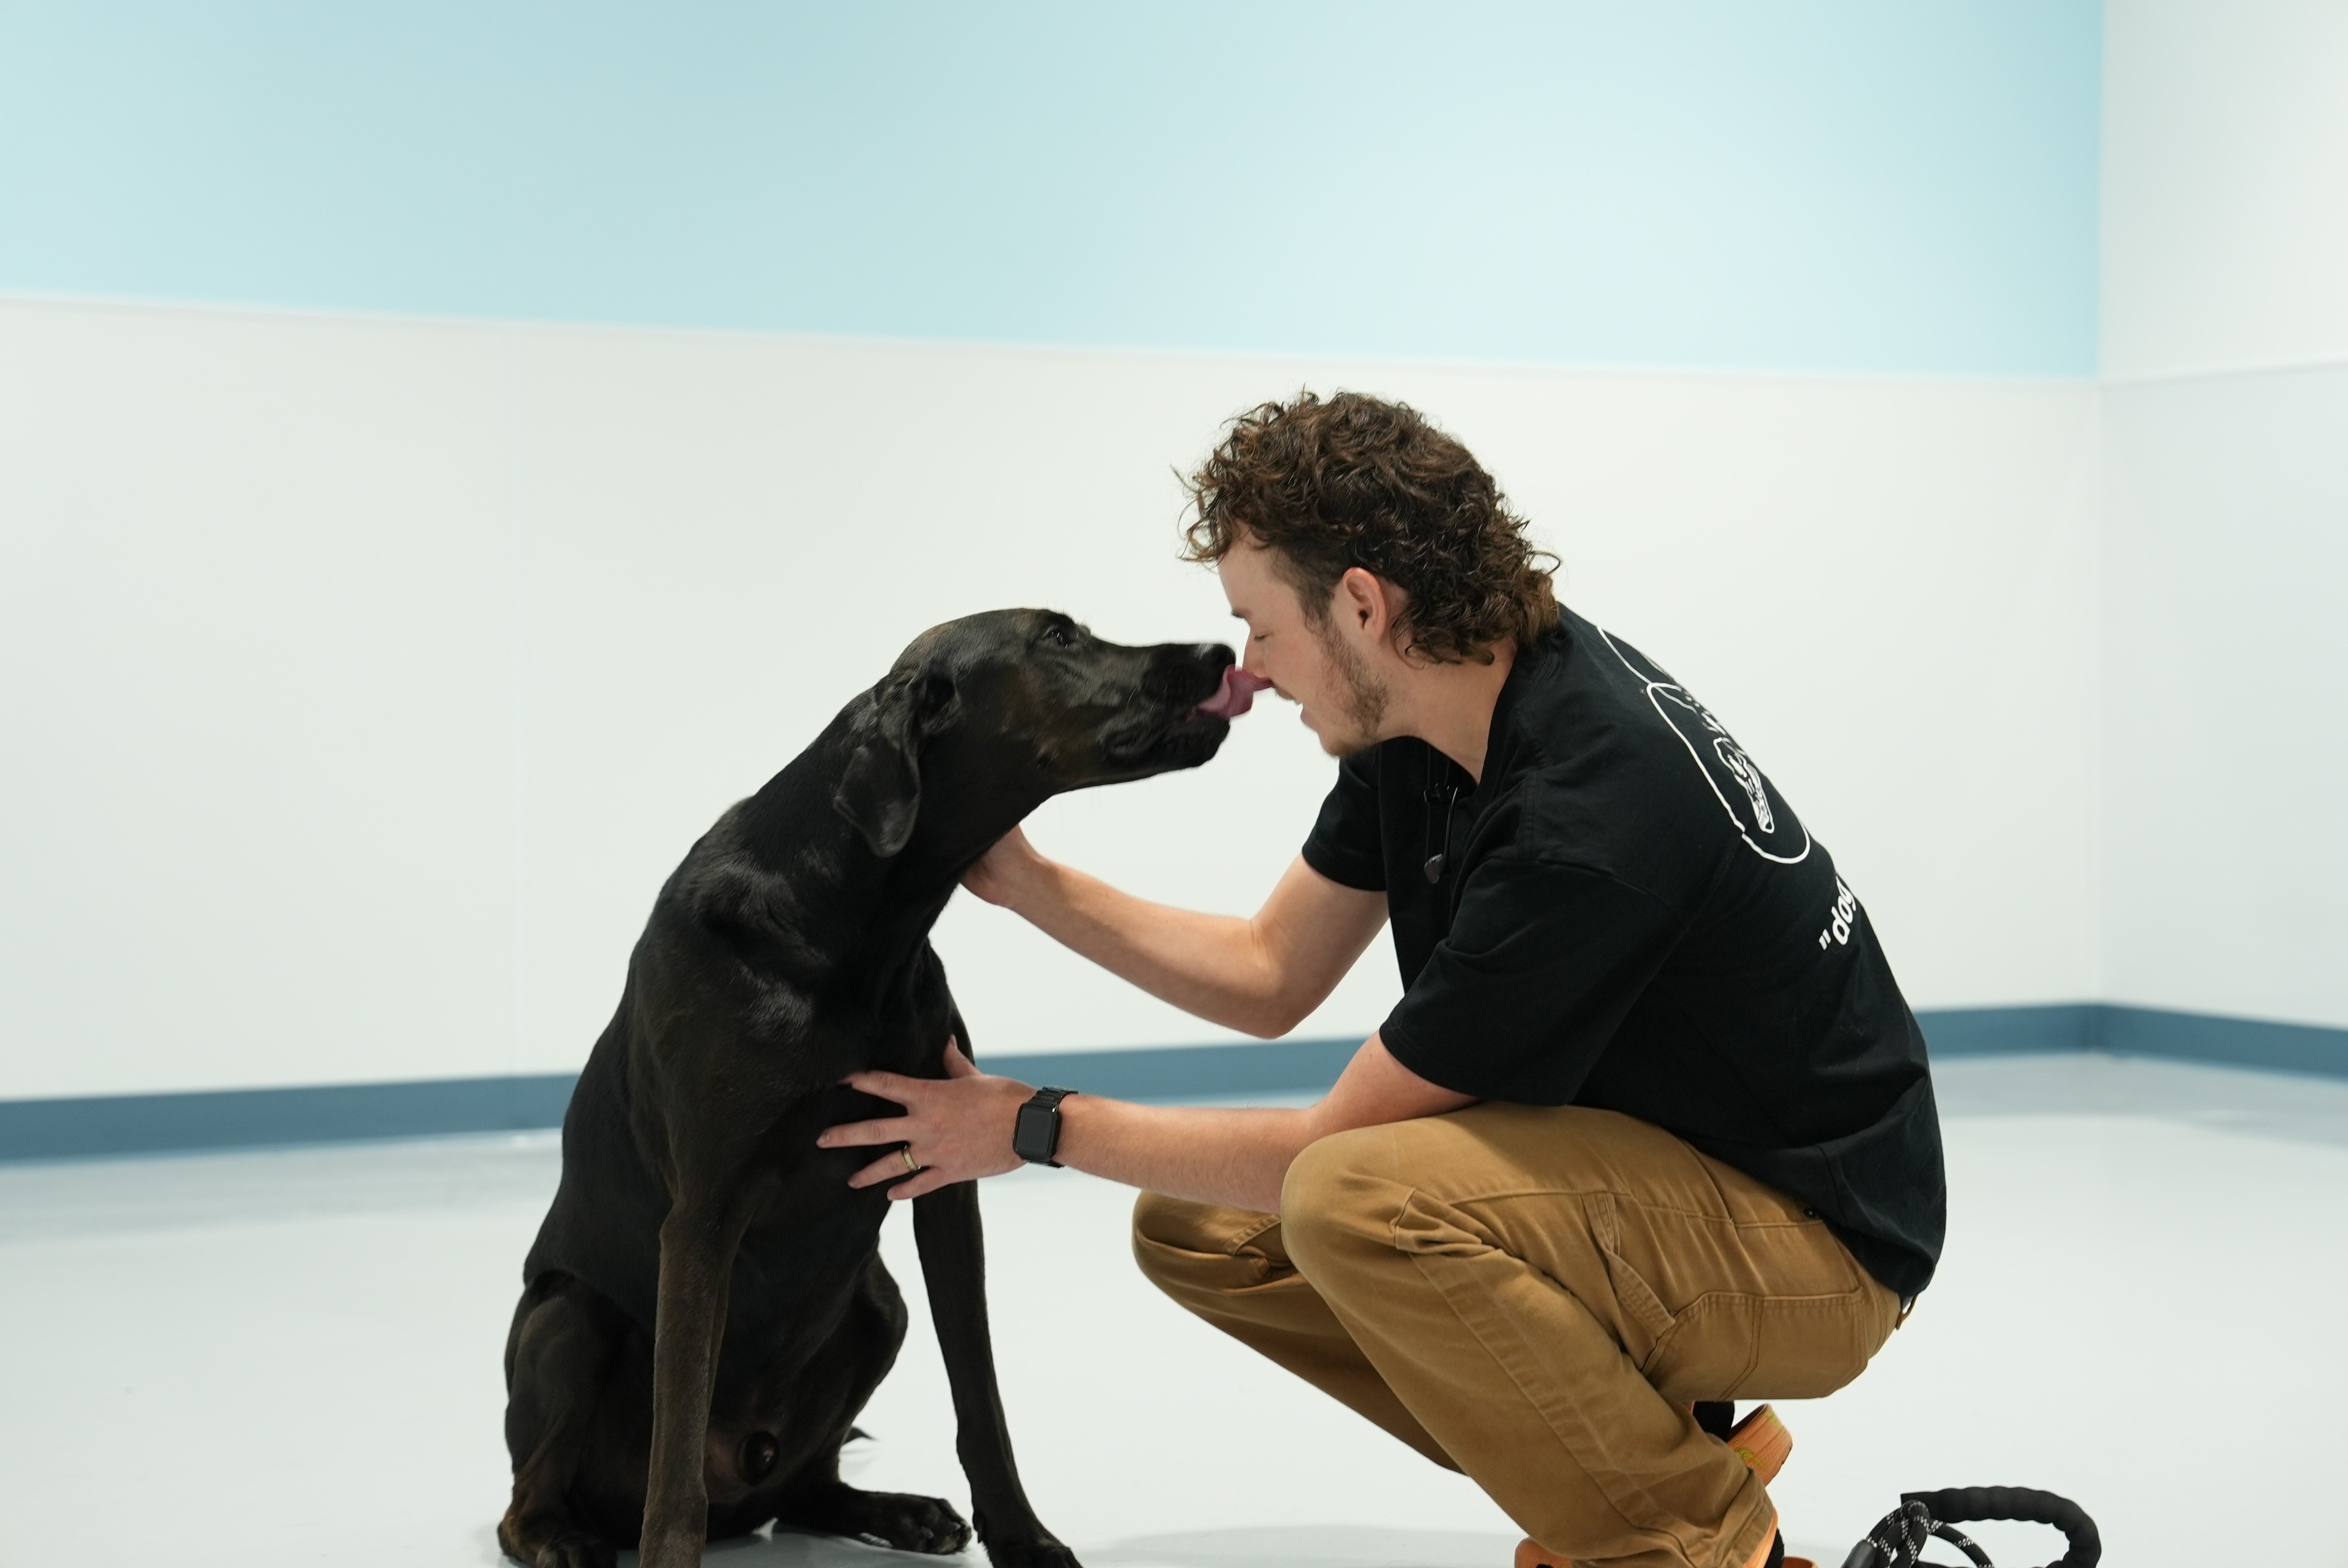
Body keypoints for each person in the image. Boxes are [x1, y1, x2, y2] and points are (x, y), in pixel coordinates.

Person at [818, 391, 1945, 1568]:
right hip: (1673, 1178)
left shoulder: (1587, 815)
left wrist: (1030, 1127)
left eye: (1258, 625)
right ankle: (1640, 1461)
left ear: (1360, 605)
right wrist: (1028, 882)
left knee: (1358, 1201)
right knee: (1200, 1226)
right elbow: (1269, 975)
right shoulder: (1432, 712)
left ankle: (1695, 1542)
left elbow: (1324, 1157)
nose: (1246, 671)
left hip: (1819, 1246)